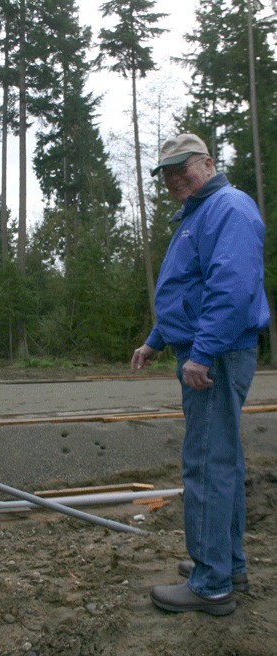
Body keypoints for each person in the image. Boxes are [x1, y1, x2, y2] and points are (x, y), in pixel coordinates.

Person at [131, 133, 270, 616]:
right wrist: (156, 338)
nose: (173, 179)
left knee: (207, 465)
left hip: (217, 354)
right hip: (210, 349)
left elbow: (231, 289)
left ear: (208, 163)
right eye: (166, 173)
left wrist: (202, 352)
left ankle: (210, 584)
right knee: (221, 460)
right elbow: (188, 287)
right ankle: (226, 566)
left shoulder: (227, 208)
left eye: (181, 168)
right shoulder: (198, 215)